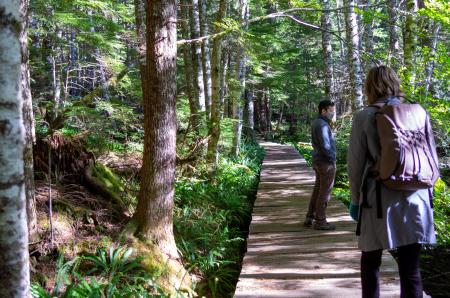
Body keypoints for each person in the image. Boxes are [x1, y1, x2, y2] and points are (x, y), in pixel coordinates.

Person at [347, 65, 437, 298]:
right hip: (417, 196)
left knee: (371, 261)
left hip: (379, 200)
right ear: (395, 83)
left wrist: (355, 201)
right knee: (411, 268)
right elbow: (431, 156)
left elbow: (355, 163)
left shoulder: (365, 116)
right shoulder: (418, 112)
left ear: (369, 87)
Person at [304, 99, 337, 230]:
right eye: (330, 111)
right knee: (325, 192)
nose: (332, 113)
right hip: (326, 163)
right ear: (323, 111)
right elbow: (325, 145)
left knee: (318, 190)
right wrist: (332, 158)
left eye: (333, 111)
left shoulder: (317, 122)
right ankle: (320, 221)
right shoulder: (322, 124)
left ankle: (310, 216)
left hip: (318, 161)